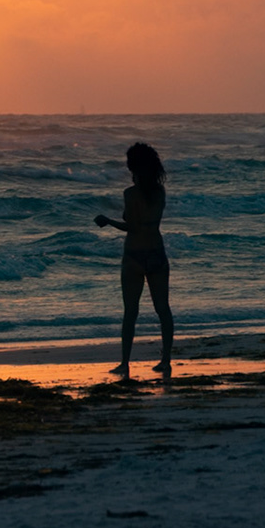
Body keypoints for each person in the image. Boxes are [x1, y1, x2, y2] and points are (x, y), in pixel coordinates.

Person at [94, 142, 173, 379]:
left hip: (133, 256)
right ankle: (166, 360)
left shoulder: (130, 194)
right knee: (163, 310)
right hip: (157, 253)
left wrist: (108, 221)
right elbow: (148, 223)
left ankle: (125, 363)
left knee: (130, 312)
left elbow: (132, 226)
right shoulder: (160, 192)